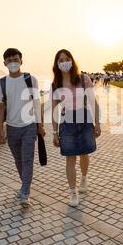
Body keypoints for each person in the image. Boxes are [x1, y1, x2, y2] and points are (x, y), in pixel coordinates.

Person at [0, 48, 45, 208]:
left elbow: (37, 104)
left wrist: (40, 125)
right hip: (11, 127)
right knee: (18, 160)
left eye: (15, 59)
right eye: (9, 60)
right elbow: (1, 108)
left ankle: (25, 193)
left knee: (27, 160)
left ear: (21, 61)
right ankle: (24, 186)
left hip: (29, 126)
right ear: (4, 63)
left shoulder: (31, 79)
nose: (13, 63)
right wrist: (1, 130)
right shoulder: (2, 83)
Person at [51, 49, 101, 207]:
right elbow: (54, 109)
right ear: (57, 64)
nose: (64, 62)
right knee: (70, 158)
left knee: (84, 154)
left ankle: (84, 179)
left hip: (85, 120)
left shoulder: (83, 79)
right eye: (60, 60)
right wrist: (54, 132)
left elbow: (93, 102)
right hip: (67, 122)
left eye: (67, 59)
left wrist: (98, 124)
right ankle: (73, 193)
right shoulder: (56, 84)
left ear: (72, 61)